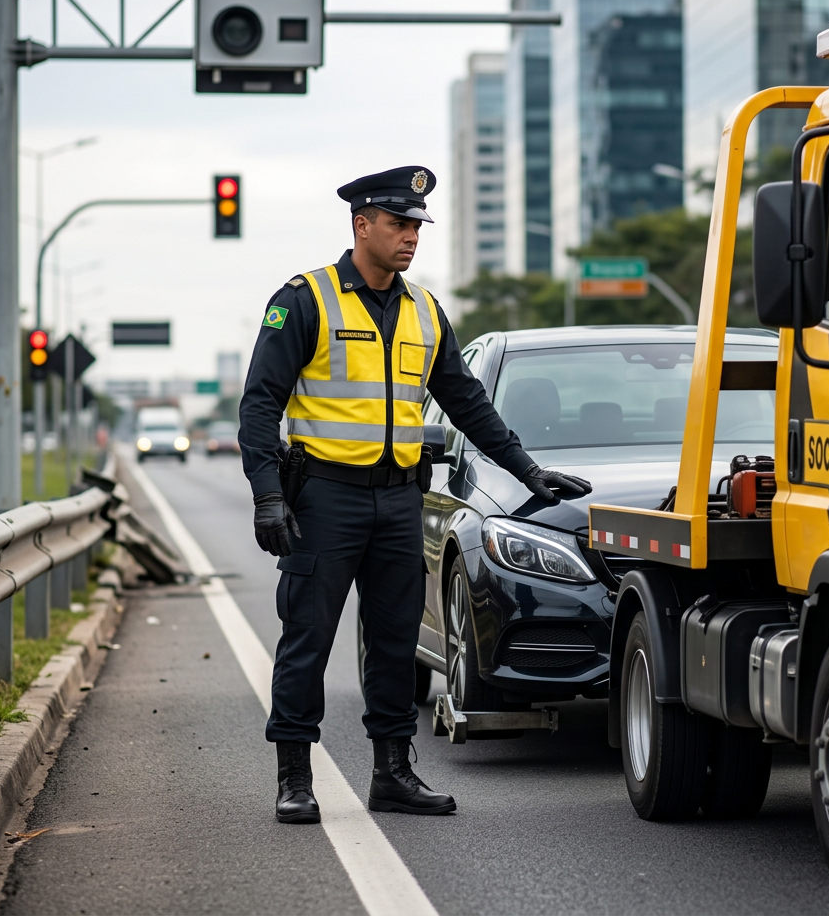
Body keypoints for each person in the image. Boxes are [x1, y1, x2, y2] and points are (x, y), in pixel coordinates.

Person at [238, 166, 592, 823]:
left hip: (400, 500)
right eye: (399, 224)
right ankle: (294, 777)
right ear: (361, 224)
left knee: (396, 643)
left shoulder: (425, 310)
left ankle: (393, 774)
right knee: (307, 639)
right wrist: (267, 494)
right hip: (324, 499)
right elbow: (260, 404)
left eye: (417, 226)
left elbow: (466, 401)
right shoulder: (306, 300)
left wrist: (527, 471)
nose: (411, 237)